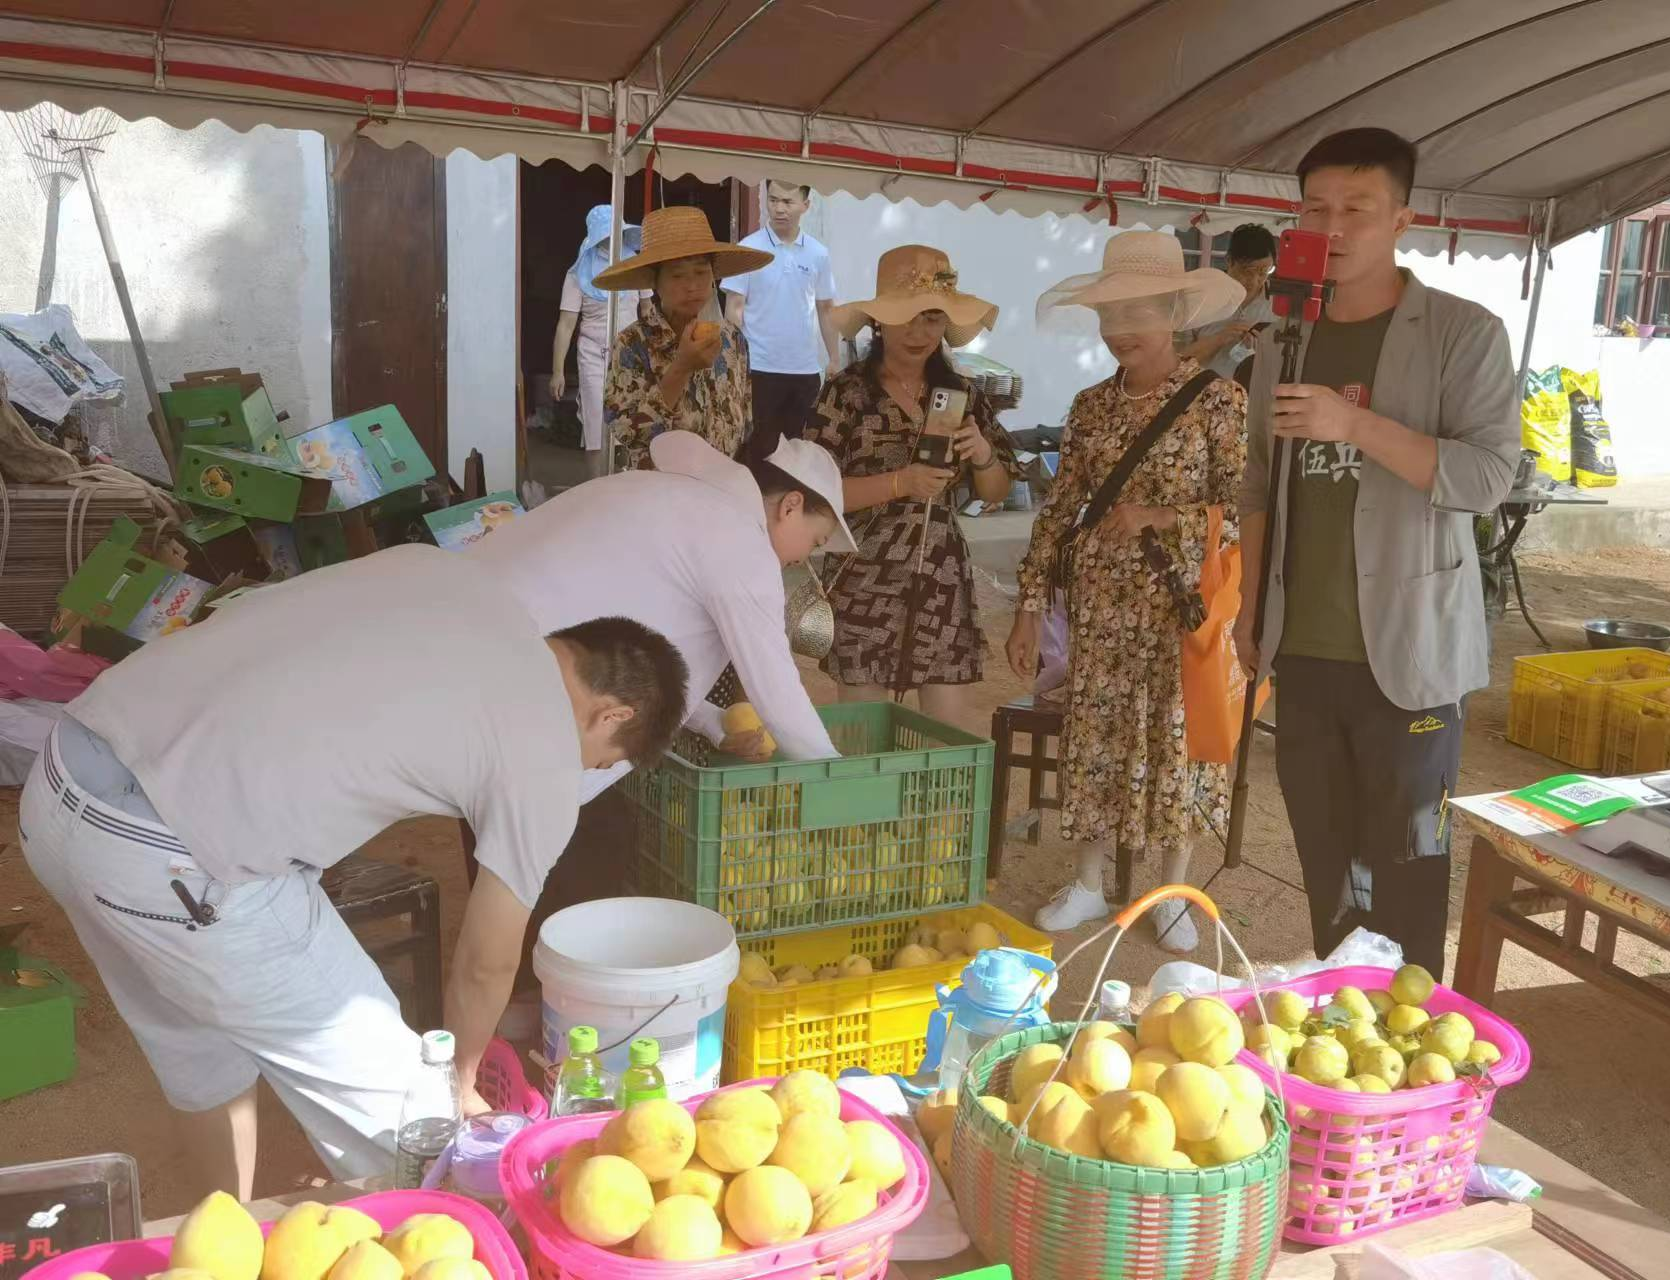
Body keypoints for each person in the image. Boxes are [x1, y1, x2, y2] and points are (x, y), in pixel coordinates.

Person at [17, 546, 687, 1200]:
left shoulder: (448, 575)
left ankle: (215, 1242)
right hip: (176, 854)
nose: (586, 773)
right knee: (408, 1115)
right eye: (601, 760)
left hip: (62, 780)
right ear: (612, 715)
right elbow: (485, 963)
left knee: (201, 1054)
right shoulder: (542, 755)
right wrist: (457, 1079)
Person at [1234, 128, 1520, 977]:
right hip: (1305, 642)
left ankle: (1412, 1039)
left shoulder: (1463, 333)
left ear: (1402, 217)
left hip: (1413, 653)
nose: (1336, 224)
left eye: (1357, 208)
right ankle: (1341, 1015)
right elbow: (1257, 486)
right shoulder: (1282, 339)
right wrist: (1251, 611)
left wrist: (1351, 423)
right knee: (1327, 862)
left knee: (1406, 865)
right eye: (1318, 207)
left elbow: (1487, 476)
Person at [463, 429, 855, 976]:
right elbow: (777, 690)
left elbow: (649, 646)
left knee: (516, 841)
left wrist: (716, 725)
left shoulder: (671, 499)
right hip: (533, 693)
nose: (801, 561)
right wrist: (847, 790)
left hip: (474, 660)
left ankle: (523, 988)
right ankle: (549, 997)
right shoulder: (736, 540)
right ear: (790, 506)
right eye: (812, 544)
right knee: (584, 843)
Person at [1008, 231, 1248, 944]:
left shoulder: (1219, 403)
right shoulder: (1089, 407)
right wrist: (1028, 606)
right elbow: (1057, 511)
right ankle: (1089, 881)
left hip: (1183, 610)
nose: (1120, 334)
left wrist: (1162, 517)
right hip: (1103, 609)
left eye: (1136, 316)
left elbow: (1242, 513)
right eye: (1110, 318)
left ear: (1175, 315)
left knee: (1176, 746)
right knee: (1097, 742)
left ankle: (1170, 891)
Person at [805, 245, 1018, 723]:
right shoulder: (846, 393)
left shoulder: (964, 394)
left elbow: (995, 493)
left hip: (941, 578)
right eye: (906, 318)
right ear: (880, 321)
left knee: (946, 739)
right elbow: (815, 494)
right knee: (863, 740)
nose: (920, 333)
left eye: (933, 319)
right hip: (864, 578)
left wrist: (982, 453)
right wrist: (902, 482)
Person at [598, 205, 773, 469]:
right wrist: (680, 368)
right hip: (661, 494)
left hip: (722, 490)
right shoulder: (632, 344)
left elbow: (745, 424)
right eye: (678, 275)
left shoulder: (733, 341)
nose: (692, 286)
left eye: (701, 272)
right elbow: (628, 433)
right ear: (655, 282)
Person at [722, 180, 840, 461]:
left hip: (804, 372)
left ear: (805, 206)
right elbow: (733, 309)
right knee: (755, 450)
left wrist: (834, 359)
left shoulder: (818, 254)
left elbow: (826, 309)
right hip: (758, 369)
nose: (779, 209)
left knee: (798, 452)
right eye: (773, 200)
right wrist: (735, 362)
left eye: (787, 202)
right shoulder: (748, 249)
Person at [549, 205, 644, 453]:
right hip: (594, 356)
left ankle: (626, 487)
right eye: (607, 233)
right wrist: (557, 371)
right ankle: (597, 485)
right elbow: (566, 325)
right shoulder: (577, 275)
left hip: (631, 355)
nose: (612, 238)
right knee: (597, 428)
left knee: (632, 428)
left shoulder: (637, 264)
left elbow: (648, 311)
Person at [1177, 223, 1277, 380]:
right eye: (1247, 271)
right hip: (1202, 396)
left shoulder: (1279, 304)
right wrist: (1220, 338)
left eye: (1264, 272)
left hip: (1253, 398)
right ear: (1229, 261)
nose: (1255, 280)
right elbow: (1176, 364)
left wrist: (1265, 348)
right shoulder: (1198, 298)